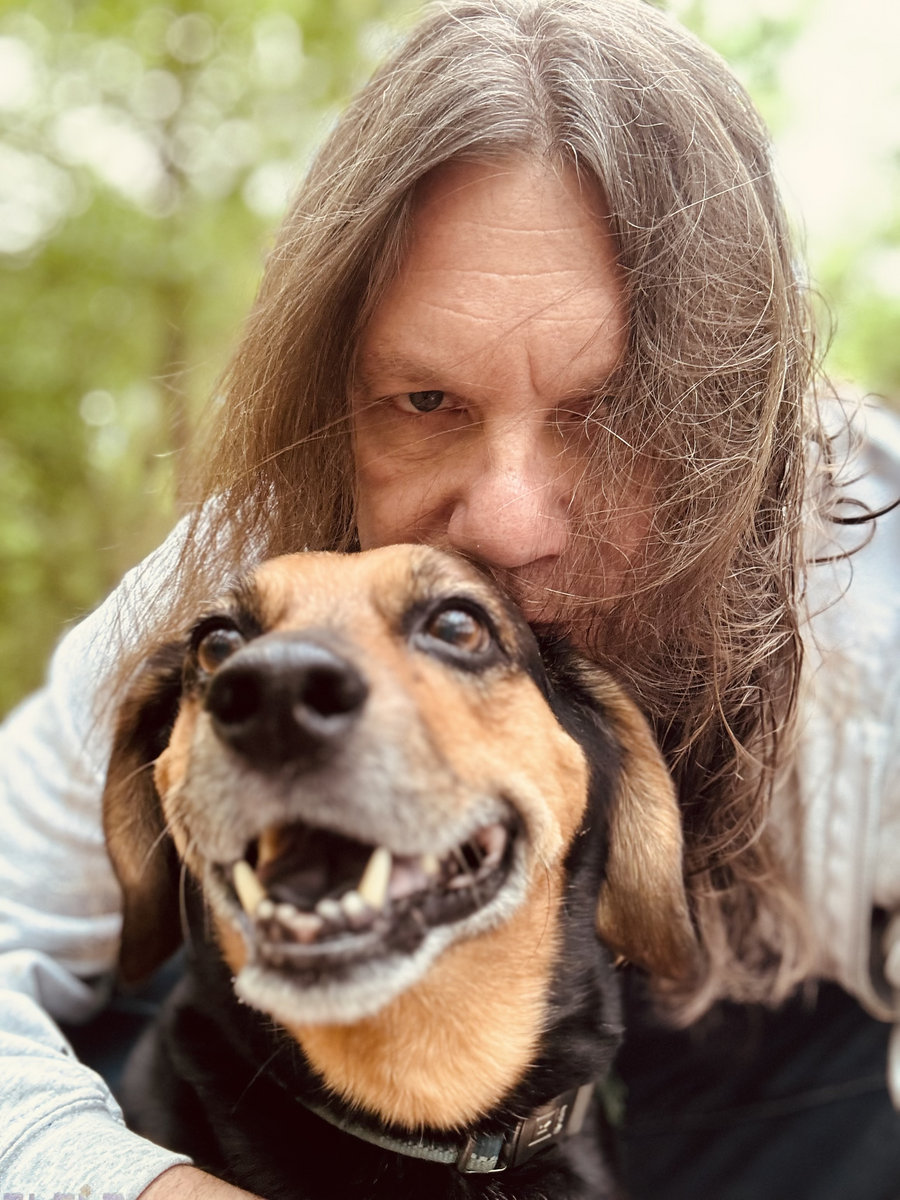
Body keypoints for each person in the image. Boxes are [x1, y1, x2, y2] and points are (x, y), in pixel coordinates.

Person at [2, 0, 899, 1196]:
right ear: (334, 403)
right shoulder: (237, 584)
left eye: (609, 415)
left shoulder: (881, 612)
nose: (508, 525)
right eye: (425, 403)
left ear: (731, 425)